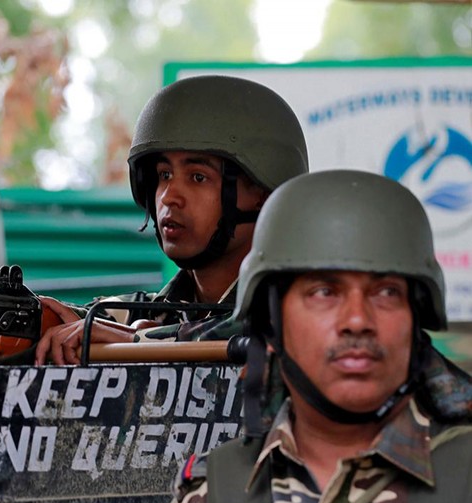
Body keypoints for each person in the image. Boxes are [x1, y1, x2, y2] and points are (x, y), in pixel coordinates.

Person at [170, 169, 472, 503]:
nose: (358, 320)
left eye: (387, 293)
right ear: (272, 324)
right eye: (324, 293)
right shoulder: (214, 494)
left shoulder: (465, 479)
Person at [35, 75, 308, 366]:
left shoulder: (307, 309)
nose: (168, 197)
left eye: (198, 177)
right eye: (164, 175)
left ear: (263, 194)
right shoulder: (146, 315)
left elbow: (250, 328)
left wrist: (138, 342)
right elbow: (87, 322)